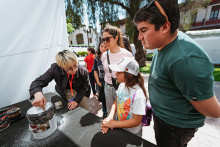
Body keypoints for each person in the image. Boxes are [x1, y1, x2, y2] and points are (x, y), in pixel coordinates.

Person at [133, 0, 220, 146]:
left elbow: (214, 111)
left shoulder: (185, 60)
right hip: (164, 120)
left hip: (174, 127)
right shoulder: (162, 43)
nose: (139, 37)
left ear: (165, 27)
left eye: (143, 30)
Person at [101, 57, 147, 137]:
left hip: (133, 133)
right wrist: (110, 118)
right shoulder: (122, 85)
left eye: (119, 72)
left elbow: (136, 121)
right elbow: (116, 102)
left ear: (129, 75)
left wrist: (114, 124)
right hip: (121, 127)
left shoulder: (138, 95)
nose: (116, 74)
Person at [101, 25, 133, 114]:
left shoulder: (127, 55)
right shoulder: (104, 55)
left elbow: (132, 75)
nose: (105, 42)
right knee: (110, 112)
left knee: (123, 112)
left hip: (123, 88)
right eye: (103, 39)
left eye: (107, 39)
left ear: (116, 38)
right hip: (107, 87)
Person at [93, 40, 108, 118]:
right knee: (103, 98)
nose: (103, 48)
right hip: (101, 83)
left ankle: (110, 113)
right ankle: (104, 112)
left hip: (109, 83)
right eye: (101, 46)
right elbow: (95, 71)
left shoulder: (110, 57)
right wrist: (98, 82)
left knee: (110, 99)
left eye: (105, 47)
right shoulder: (97, 59)